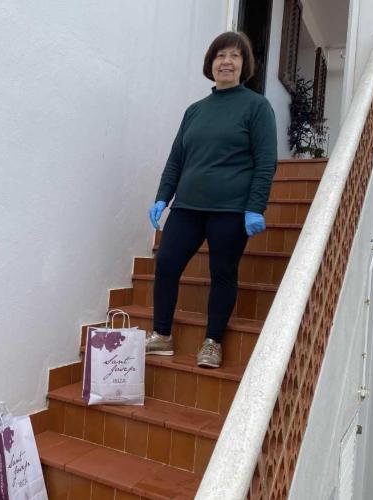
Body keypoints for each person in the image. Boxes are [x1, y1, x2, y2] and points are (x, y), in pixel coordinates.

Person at [146, 32, 277, 368]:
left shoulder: (257, 107)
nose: (227, 62)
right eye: (220, 56)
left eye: (235, 55)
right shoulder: (195, 111)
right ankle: (162, 335)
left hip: (230, 210)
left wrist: (254, 207)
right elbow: (176, 159)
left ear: (244, 64)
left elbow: (265, 162)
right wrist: (163, 197)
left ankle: (212, 342)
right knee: (166, 264)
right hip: (187, 206)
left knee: (222, 273)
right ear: (211, 63)